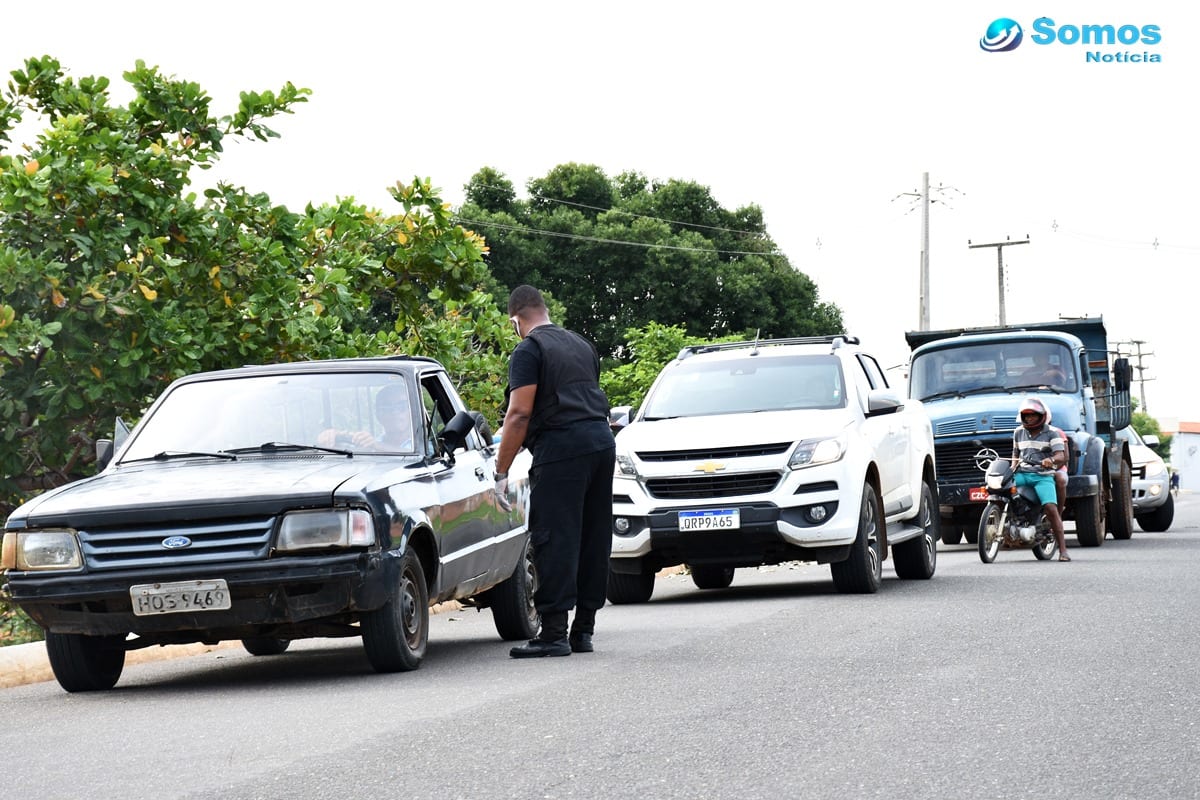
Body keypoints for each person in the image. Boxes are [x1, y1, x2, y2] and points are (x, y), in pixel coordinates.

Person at [494, 285, 616, 658]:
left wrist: (501, 472)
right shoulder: (581, 344)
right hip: (601, 442)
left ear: (516, 320)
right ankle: (584, 632)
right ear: (544, 310)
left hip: (563, 449)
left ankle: (554, 634)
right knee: (593, 536)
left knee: (555, 537)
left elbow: (519, 413)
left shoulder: (529, 349)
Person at [1011, 397, 1070, 562]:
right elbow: (1016, 454)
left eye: (1033, 415)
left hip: (1042, 476)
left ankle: (1063, 551)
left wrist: (1050, 460)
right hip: (1022, 474)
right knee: (1002, 492)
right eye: (1026, 415)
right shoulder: (1018, 432)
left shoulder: (1053, 432)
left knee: (1051, 508)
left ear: (1041, 416)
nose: (1029, 418)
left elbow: (1061, 455)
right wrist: (1011, 469)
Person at [317, 384, 415, 451]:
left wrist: (376, 446)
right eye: (386, 408)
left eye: (402, 406)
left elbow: (416, 456)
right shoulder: (370, 445)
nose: (395, 412)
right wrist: (332, 438)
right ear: (378, 415)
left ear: (412, 410)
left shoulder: (425, 444)